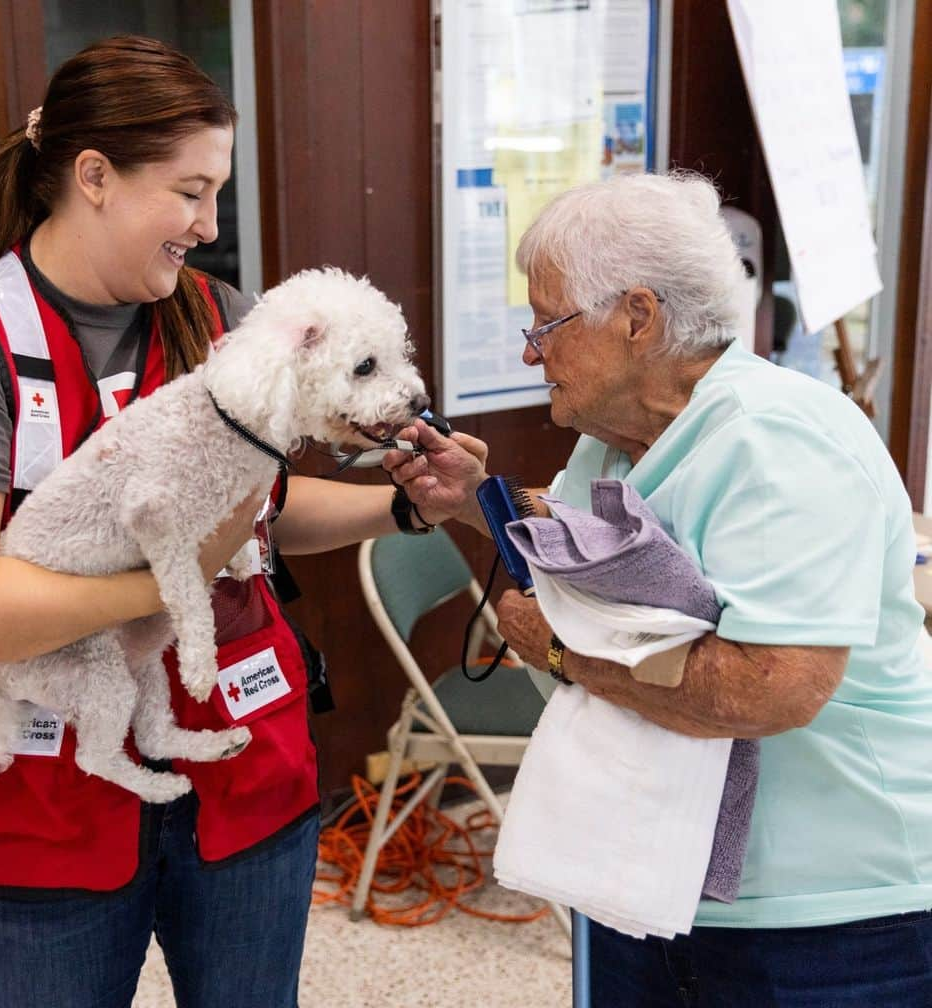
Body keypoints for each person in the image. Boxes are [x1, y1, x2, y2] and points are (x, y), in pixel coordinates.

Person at [0, 35, 463, 1008]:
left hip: (241, 765)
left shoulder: (216, 318)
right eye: (189, 191)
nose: (209, 222)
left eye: (216, 191)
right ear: (94, 177)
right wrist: (168, 584)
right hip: (49, 795)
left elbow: (260, 515)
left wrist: (402, 507)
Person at [390, 170, 932, 1006]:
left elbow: (769, 688)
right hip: (649, 871)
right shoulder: (612, 440)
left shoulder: (780, 442)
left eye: (547, 323)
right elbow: (582, 562)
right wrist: (476, 503)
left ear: (638, 318)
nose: (531, 351)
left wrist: (565, 656)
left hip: (825, 907)